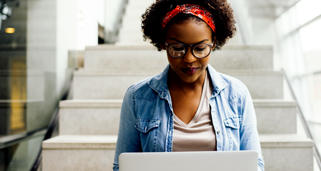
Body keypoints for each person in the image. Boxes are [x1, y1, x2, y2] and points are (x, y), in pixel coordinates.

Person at [113, 0, 264, 170]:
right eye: (178, 48)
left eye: (200, 48)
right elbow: (122, 166)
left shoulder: (236, 94)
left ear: (213, 43)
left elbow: (255, 164)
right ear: (163, 43)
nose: (189, 59)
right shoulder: (137, 97)